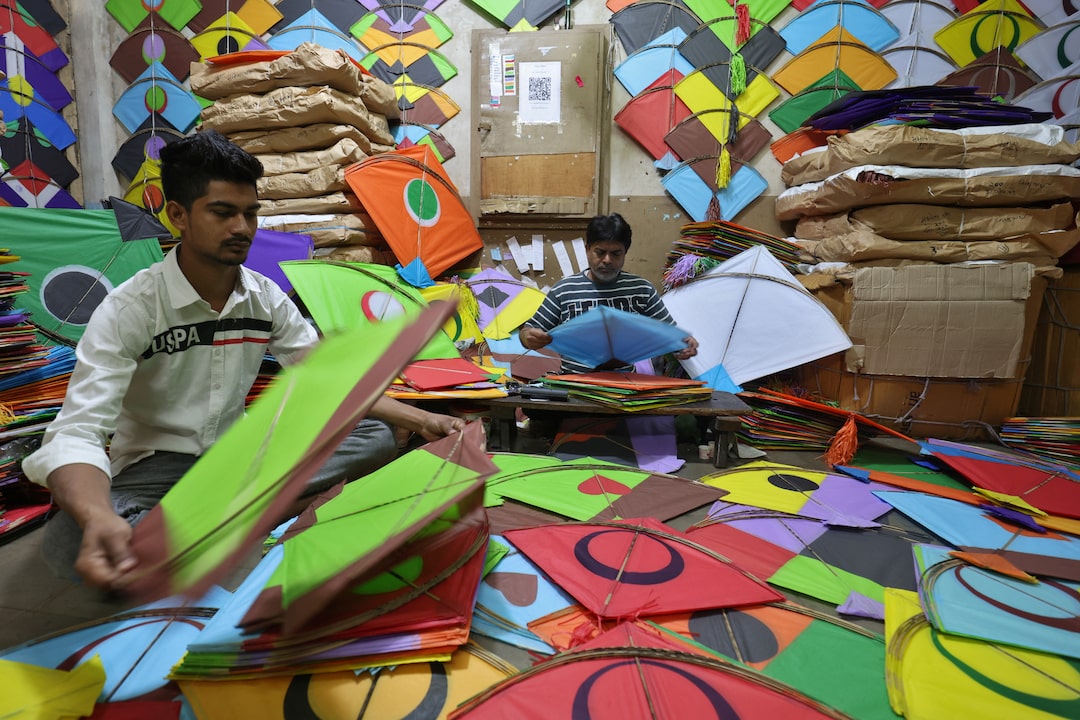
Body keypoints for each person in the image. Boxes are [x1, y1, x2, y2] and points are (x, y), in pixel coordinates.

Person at [21, 129, 464, 591]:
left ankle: (211, 524)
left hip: (242, 458)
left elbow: (327, 379)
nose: (242, 228)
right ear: (178, 216)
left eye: (250, 213)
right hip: (158, 471)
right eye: (222, 213)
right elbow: (77, 431)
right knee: (73, 541)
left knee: (373, 435)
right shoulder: (130, 308)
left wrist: (423, 419)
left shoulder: (264, 297)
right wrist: (97, 517)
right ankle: (234, 518)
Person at [519, 212, 698, 374]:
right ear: (587, 249)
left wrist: (683, 344)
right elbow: (527, 332)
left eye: (616, 254)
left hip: (623, 387)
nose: (607, 260)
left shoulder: (641, 290)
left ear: (625, 252)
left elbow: (670, 333)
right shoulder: (564, 290)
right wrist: (528, 337)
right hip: (575, 385)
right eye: (600, 252)